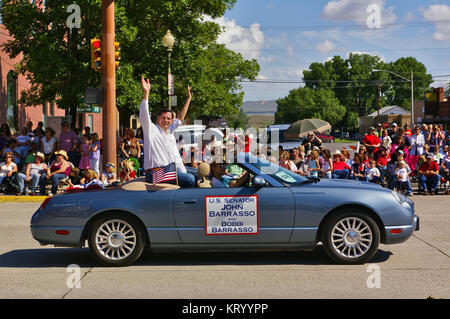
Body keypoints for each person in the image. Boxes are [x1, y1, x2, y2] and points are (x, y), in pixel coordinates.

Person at [139, 76, 195, 187]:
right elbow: (144, 113)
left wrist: (188, 100)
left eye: (169, 118)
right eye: (163, 118)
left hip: (168, 169)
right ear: (157, 118)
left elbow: (180, 118)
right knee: (190, 179)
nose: (166, 120)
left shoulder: (169, 131)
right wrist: (146, 94)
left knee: (199, 173)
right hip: (154, 173)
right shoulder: (151, 129)